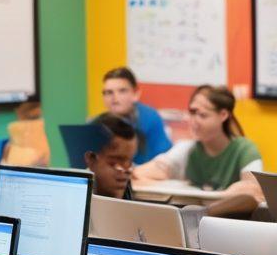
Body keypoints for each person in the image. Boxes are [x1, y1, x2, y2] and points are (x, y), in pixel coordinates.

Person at [133, 85, 262, 194]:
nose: (194, 121)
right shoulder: (187, 148)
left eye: (202, 115)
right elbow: (138, 174)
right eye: (192, 113)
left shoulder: (245, 150)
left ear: (223, 115)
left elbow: (254, 190)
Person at [99, 67, 171, 164]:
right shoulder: (97, 123)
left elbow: (164, 160)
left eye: (122, 91)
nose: (114, 98)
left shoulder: (150, 118)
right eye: (108, 92)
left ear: (136, 94)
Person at [83, 113, 139, 200]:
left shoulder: (127, 193)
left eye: (130, 161)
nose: (126, 170)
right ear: (90, 158)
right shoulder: (76, 199)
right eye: (115, 161)